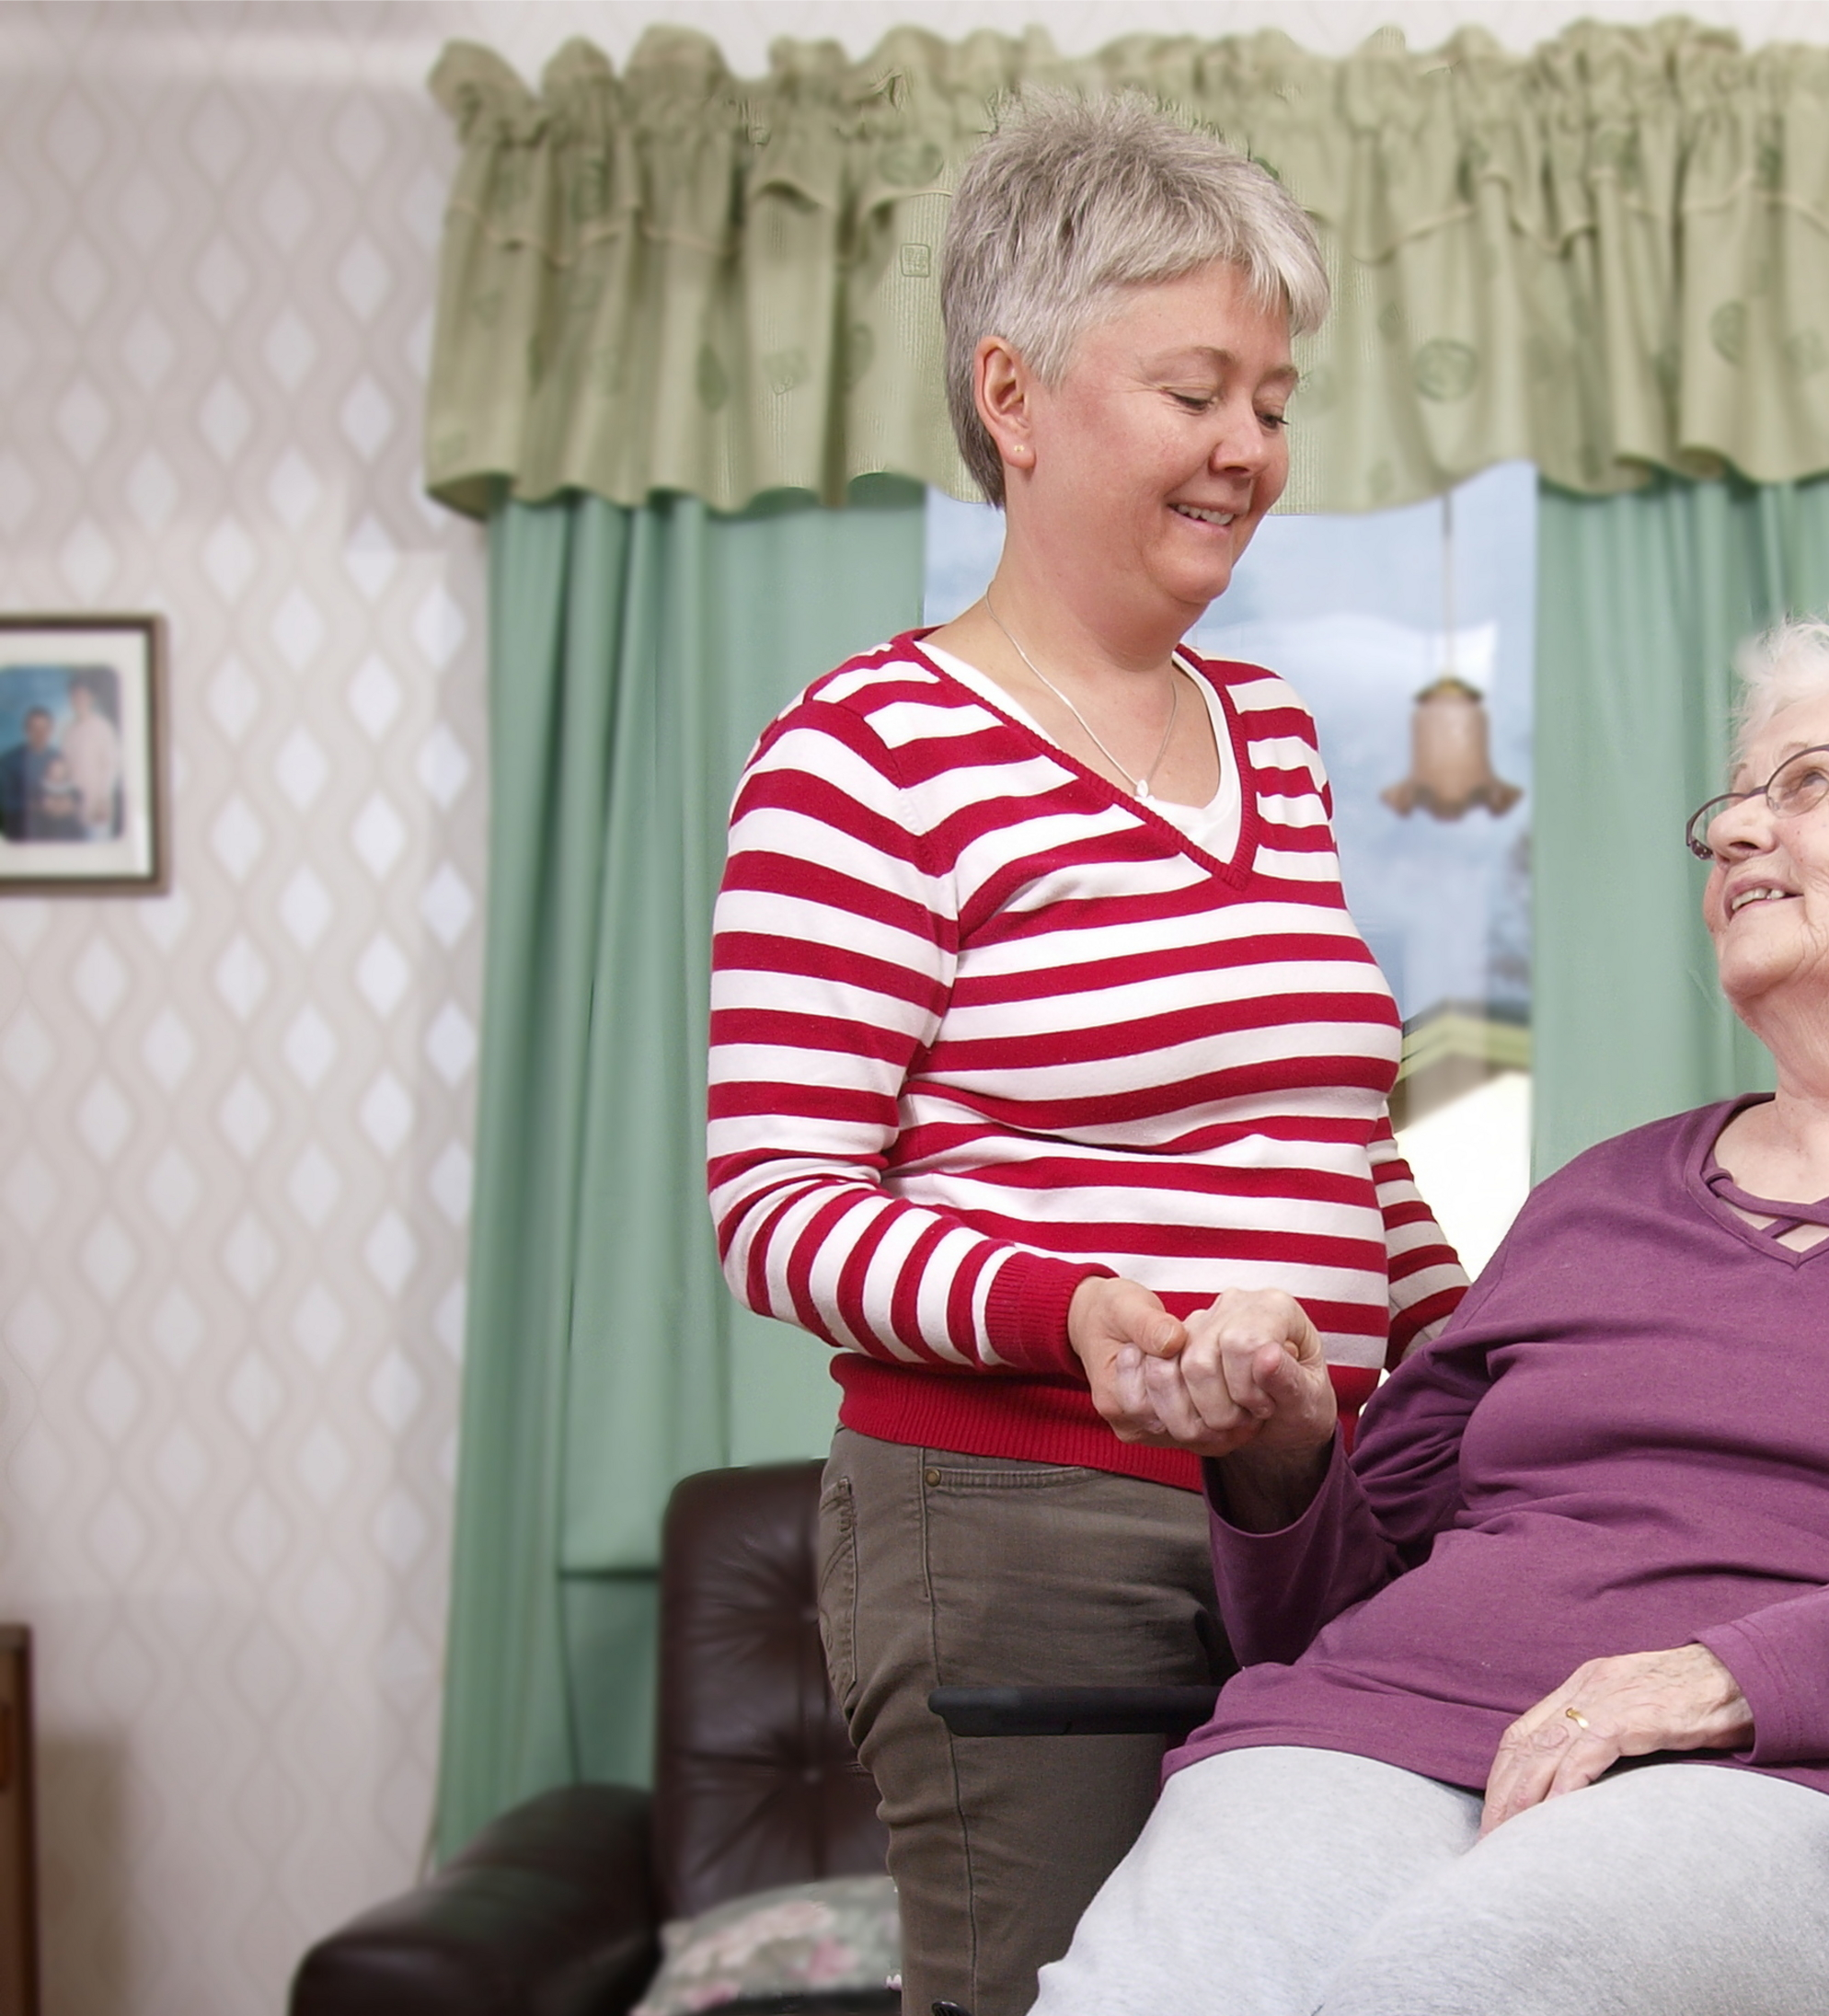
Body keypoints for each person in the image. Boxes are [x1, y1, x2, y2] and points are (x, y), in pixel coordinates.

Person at [1030, 624, 1829, 2016]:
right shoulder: (1595, 1198)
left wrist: (1741, 1669)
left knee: (1465, 1982)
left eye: (1809, 780)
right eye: (1728, 805)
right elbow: (1331, 1605)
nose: (1736, 835)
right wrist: (1284, 1453)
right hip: (1372, 1733)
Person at [705, 93, 1466, 2016]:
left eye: (1272, 401)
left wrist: (1472, 1367)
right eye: (1195, 390)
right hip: (1018, 1525)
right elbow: (775, 1208)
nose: (1247, 450)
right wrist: (1077, 1309)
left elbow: (1330, 1146)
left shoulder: (1273, 736)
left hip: (1314, 1521)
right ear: (1015, 397)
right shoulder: (865, 755)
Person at [59, 673, 121, 839]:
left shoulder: (102, 727)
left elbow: (111, 765)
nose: (77, 699)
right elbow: (66, 770)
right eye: (74, 695)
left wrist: (104, 799)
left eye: (82, 695)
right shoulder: (68, 731)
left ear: (91, 698)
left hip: (98, 806)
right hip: (74, 808)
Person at [0, 705, 58, 840]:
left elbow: (73, 790)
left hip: (53, 832)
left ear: (51, 730)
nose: (40, 733)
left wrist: (69, 802)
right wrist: (35, 805)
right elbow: (5, 800)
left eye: (44, 728)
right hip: (18, 831)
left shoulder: (58, 758)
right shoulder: (9, 761)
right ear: (26, 730)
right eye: (35, 728)